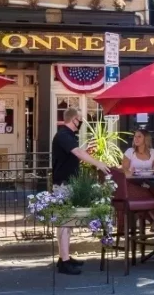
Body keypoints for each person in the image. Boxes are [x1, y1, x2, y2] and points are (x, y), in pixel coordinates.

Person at [52, 107, 110, 275]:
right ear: (74, 119)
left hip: (67, 183)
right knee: (65, 222)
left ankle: (65, 257)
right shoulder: (63, 135)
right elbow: (76, 152)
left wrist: (87, 154)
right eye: (80, 119)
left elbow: (75, 155)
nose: (82, 122)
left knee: (66, 222)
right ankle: (64, 262)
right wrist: (97, 163)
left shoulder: (68, 136)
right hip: (64, 184)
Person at [121, 129, 154, 226]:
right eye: (135, 136)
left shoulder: (152, 152)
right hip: (133, 184)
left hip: (148, 182)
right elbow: (124, 170)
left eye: (139, 136)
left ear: (145, 139)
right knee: (149, 195)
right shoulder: (130, 152)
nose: (136, 138)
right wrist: (130, 172)